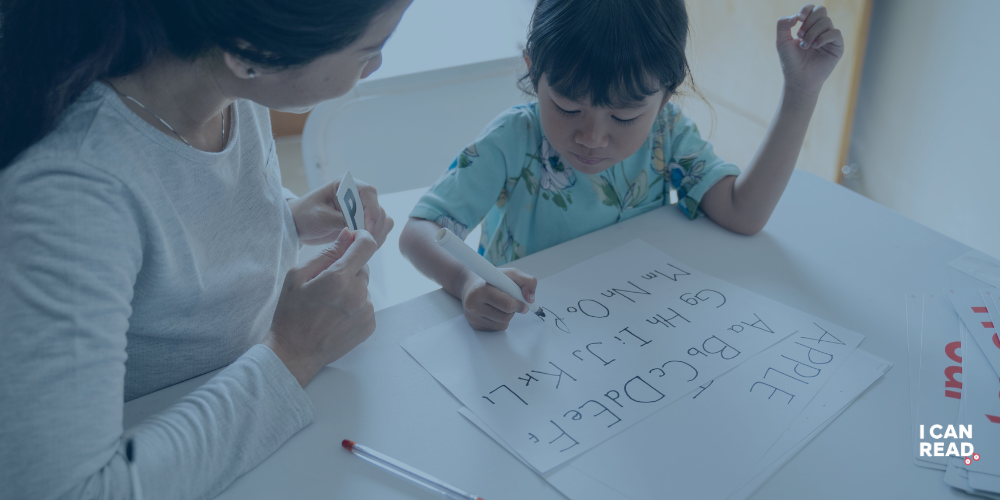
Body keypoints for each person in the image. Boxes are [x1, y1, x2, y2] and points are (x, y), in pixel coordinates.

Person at [0, 0, 409, 498]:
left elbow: (175, 220)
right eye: (370, 50)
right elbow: (73, 491)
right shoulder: (72, 194)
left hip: (253, 425)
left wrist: (284, 219)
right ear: (253, 50)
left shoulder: (228, 87)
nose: (377, 66)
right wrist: (294, 352)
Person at [399, 0, 844, 332]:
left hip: (635, 333)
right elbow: (418, 231)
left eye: (625, 117)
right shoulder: (514, 140)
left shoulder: (666, 133)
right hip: (527, 341)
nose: (592, 138)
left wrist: (802, 91)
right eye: (568, 108)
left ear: (666, 95)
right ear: (535, 73)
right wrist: (465, 283)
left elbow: (742, 213)